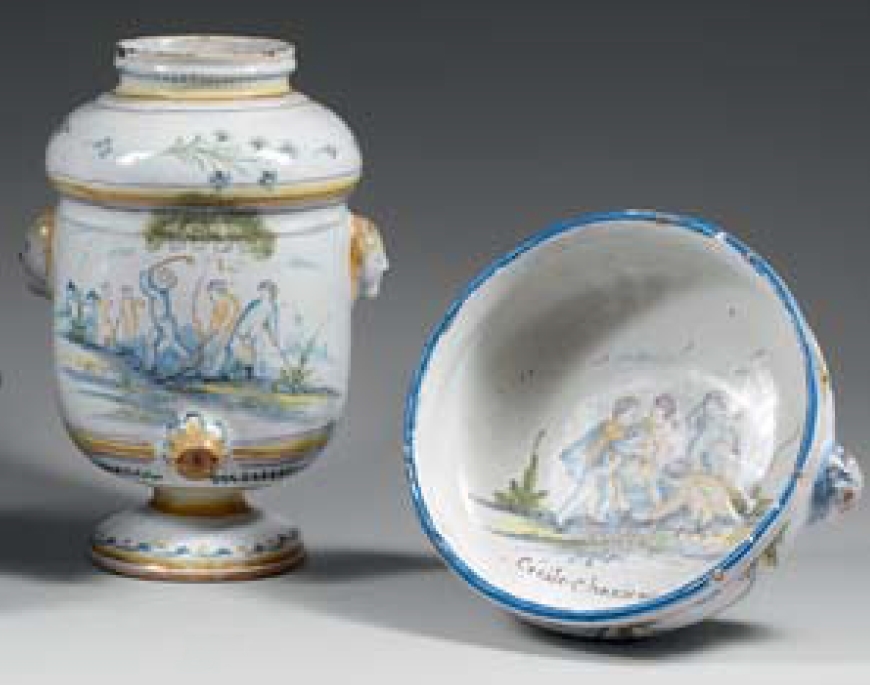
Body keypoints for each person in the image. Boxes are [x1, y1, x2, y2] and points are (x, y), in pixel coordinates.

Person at [556, 396, 642, 527]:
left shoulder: (618, 428)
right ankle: (560, 517)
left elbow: (620, 446)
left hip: (603, 467)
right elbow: (619, 445)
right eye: (631, 415)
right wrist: (635, 450)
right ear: (621, 413)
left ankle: (598, 516)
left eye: (634, 416)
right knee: (584, 492)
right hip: (593, 466)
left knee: (606, 492)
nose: (633, 419)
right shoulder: (611, 426)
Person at [139, 255, 193, 377]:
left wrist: (145, 274)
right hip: (159, 322)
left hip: (164, 321)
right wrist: (149, 272)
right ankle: (149, 367)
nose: (155, 281)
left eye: (160, 279)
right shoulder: (160, 292)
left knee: (171, 342)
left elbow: (145, 287)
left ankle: (188, 358)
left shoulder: (158, 293)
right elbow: (147, 284)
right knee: (150, 342)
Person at [226, 280, 281, 380]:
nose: (262, 293)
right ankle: (232, 373)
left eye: (265, 291)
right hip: (244, 330)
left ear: (271, 292)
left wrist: (273, 337)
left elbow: (269, 323)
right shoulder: (255, 303)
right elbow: (245, 318)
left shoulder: (272, 307)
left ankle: (249, 375)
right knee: (237, 349)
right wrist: (242, 332)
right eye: (261, 290)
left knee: (252, 353)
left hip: (256, 333)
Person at [194, 278, 241, 379]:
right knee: (208, 350)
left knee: (217, 352)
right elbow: (215, 320)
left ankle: (211, 373)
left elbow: (230, 317)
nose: (210, 296)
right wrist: (209, 331)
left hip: (223, 332)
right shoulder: (219, 303)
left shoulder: (228, 301)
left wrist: (219, 329)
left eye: (211, 293)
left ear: (218, 291)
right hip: (216, 331)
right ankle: (206, 371)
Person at [117, 284, 145, 355]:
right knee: (125, 336)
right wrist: (120, 319)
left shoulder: (133, 300)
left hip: (132, 321)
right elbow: (121, 311)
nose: (125, 294)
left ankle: (132, 351)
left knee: (132, 336)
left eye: (127, 292)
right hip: (125, 322)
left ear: (130, 292)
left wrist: (141, 303)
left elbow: (141, 303)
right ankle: (125, 350)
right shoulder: (122, 301)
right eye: (124, 292)